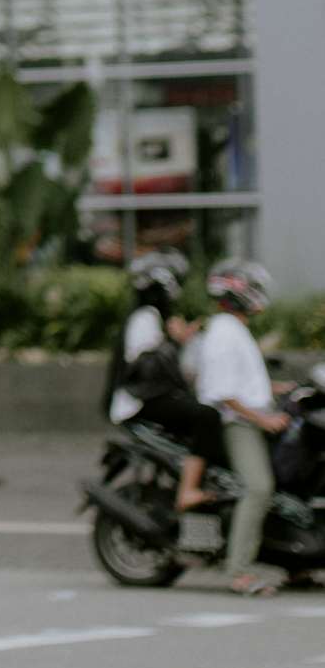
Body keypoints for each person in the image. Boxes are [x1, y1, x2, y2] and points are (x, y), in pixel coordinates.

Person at [190, 258, 289, 597]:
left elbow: (244, 382)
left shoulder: (234, 329)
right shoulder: (223, 332)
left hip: (250, 417)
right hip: (238, 425)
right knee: (259, 488)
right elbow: (223, 392)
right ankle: (240, 571)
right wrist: (264, 419)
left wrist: (281, 389)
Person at [105, 252, 220, 512]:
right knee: (207, 416)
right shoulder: (145, 318)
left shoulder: (148, 317)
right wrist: (176, 341)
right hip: (140, 402)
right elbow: (145, 366)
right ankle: (189, 490)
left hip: (147, 398)